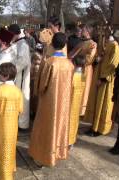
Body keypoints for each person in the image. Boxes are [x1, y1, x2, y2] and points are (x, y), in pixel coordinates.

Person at [28, 32, 74, 167]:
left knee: (45, 127)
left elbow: (42, 85)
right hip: (63, 102)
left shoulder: (49, 63)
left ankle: (41, 156)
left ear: (52, 44)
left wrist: (36, 93)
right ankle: (57, 153)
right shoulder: (69, 64)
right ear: (64, 45)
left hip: (49, 102)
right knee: (59, 126)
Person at [83, 30, 119, 137]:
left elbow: (113, 65)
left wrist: (103, 79)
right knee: (96, 102)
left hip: (105, 81)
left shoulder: (115, 47)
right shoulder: (107, 44)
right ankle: (94, 126)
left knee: (102, 104)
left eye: (106, 33)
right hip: (98, 77)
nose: (103, 36)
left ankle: (100, 129)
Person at [69, 24, 97, 116]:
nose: (82, 31)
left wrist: (77, 60)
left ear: (88, 32)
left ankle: (80, 110)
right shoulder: (82, 42)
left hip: (85, 69)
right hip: (76, 67)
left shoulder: (92, 44)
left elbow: (89, 59)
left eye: (83, 30)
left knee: (82, 89)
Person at [8, 24, 31, 130]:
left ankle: (22, 124)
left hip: (21, 77)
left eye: (10, 34)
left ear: (14, 33)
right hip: (16, 76)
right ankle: (16, 121)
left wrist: (10, 71)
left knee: (22, 99)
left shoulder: (23, 45)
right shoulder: (18, 43)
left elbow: (23, 61)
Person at [68, 55, 86, 146]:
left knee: (68, 122)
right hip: (77, 104)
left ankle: (66, 140)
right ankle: (72, 140)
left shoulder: (72, 77)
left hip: (70, 104)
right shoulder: (83, 76)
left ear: (74, 63)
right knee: (75, 121)